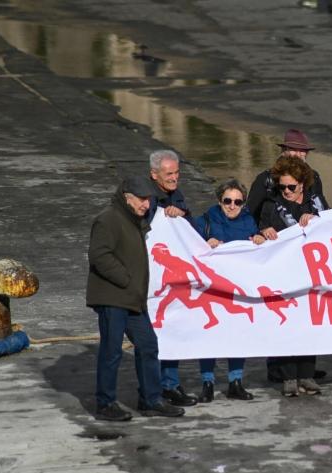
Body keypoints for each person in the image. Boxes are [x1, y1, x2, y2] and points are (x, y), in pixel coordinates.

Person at [87, 175, 185, 421]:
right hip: (113, 297)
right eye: (142, 199)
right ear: (126, 197)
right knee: (111, 352)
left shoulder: (134, 219)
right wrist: (125, 279)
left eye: (149, 199)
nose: (146, 204)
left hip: (132, 299)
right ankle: (105, 403)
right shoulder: (108, 219)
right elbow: (99, 255)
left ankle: (151, 400)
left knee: (149, 346)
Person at [258, 156, 328, 397]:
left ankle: (307, 375)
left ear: (302, 184)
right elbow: (259, 233)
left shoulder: (316, 203)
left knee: (309, 325)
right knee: (286, 325)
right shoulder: (270, 206)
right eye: (282, 186)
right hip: (282, 275)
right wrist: (263, 231)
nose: (286, 191)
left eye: (291, 187)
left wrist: (317, 221)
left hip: (311, 274)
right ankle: (288, 377)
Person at [192, 179, 265, 403]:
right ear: (219, 200)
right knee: (209, 335)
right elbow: (187, 242)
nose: (232, 206)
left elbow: (259, 249)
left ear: (243, 203)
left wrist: (260, 239)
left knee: (237, 334)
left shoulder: (249, 221)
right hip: (211, 289)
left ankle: (235, 382)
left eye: (238, 201)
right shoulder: (204, 220)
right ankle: (207, 382)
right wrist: (205, 241)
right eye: (227, 201)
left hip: (238, 287)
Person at [145, 149, 199, 408]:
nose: (175, 178)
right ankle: (153, 388)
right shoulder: (143, 197)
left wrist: (183, 213)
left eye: (177, 173)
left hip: (171, 279)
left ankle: (170, 384)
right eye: (169, 174)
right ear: (154, 174)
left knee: (171, 328)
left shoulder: (177, 196)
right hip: (147, 278)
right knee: (151, 336)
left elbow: (191, 232)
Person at [247, 128, 328, 222]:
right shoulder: (265, 179)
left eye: (303, 150)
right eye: (293, 149)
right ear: (284, 150)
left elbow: (322, 208)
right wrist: (260, 232)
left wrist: (314, 217)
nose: (298, 154)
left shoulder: (314, 177)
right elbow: (250, 213)